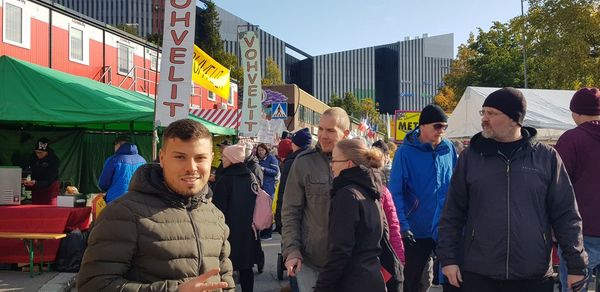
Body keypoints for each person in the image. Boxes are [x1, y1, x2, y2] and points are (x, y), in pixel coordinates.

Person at [437, 87, 588, 292]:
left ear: (514, 119)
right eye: (484, 112)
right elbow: (452, 212)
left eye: (492, 113)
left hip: (532, 272)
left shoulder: (546, 158)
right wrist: (448, 259)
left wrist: (576, 264)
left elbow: (566, 214)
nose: (484, 119)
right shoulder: (470, 158)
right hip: (479, 272)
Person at [77, 119, 235, 291]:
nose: (191, 168)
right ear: (162, 158)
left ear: (211, 159)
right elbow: (92, 285)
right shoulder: (123, 213)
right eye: (180, 157)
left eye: (200, 158)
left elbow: (225, 280)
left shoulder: (214, 215)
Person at [388, 104, 457, 292]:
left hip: (445, 226)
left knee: (453, 279)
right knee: (411, 280)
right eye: (437, 126)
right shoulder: (405, 152)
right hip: (416, 229)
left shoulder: (448, 148)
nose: (441, 131)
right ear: (422, 126)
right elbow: (395, 192)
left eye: (444, 126)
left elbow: (457, 185)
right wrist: (403, 225)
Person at [282, 107, 350, 292]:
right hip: (310, 263)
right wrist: (292, 250)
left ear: (345, 134)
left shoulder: (357, 163)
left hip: (349, 264)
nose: (323, 135)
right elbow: (290, 211)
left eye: (330, 130)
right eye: (320, 129)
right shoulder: (303, 162)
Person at [313, 139, 386, 292]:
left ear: (348, 163)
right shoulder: (371, 191)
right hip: (372, 278)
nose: (331, 165)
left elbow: (340, 250)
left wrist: (322, 287)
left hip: (353, 281)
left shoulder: (347, 195)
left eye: (334, 160)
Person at [555, 87, 600, 292]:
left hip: (581, 232)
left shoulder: (571, 139)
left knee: (574, 288)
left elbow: (557, 186)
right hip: (584, 230)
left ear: (576, 112)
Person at [213, 144, 259, 292]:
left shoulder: (225, 179)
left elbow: (218, 210)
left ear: (232, 159)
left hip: (228, 232)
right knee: (246, 267)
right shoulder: (251, 176)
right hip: (248, 230)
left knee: (226, 268)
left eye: (224, 157)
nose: (222, 159)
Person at [275, 128, 312, 234]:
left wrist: (279, 218)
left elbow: (284, 191)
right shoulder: (317, 159)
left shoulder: (291, 162)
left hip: (293, 213)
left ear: (296, 144)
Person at [98, 137, 146, 203]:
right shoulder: (142, 160)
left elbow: (103, 184)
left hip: (116, 201)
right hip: (137, 200)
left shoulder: (113, 160)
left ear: (118, 145)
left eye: (115, 145)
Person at [21, 137, 60, 205]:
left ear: (47, 152)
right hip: (36, 189)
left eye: (41, 153)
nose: (38, 154)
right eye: (37, 152)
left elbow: (50, 180)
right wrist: (26, 178)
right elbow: (28, 168)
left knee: (49, 210)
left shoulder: (54, 160)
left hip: (50, 190)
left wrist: (36, 182)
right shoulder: (33, 157)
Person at [256, 143, 279, 240]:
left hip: (269, 188)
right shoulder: (258, 160)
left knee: (268, 211)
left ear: (266, 150)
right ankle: (262, 231)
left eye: (262, 150)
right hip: (260, 188)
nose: (260, 152)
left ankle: (267, 233)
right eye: (259, 150)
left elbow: (275, 171)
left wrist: (264, 169)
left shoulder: (271, 159)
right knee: (261, 211)